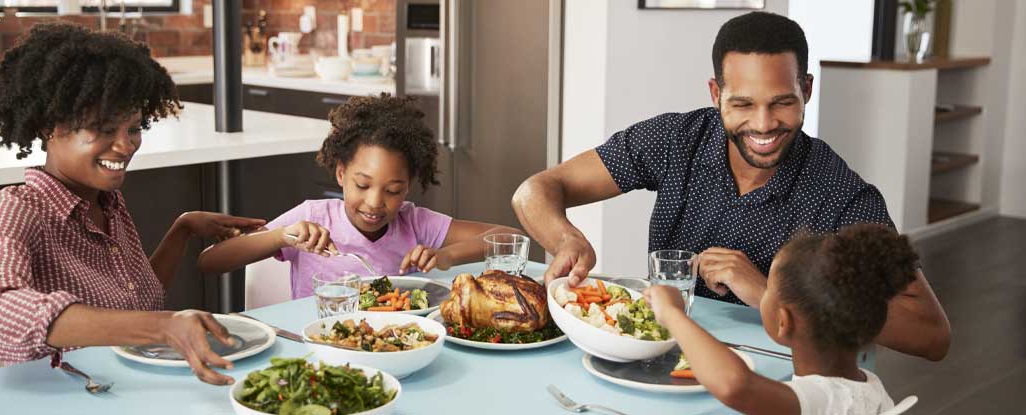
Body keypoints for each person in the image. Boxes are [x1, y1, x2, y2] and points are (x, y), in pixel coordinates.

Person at [511, 11, 950, 360]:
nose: (763, 124)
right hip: (661, 356)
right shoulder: (674, 140)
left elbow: (931, 335)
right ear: (715, 93)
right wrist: (566, 238)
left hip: (777, 384)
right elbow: (536, 189)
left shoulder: (841, 195)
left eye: (782, 102)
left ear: (807, 91)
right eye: (742, 103)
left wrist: (770, 293)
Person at [0, 22, 265, 385]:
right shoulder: (15, 209)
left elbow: (138, 303)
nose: (126, 146)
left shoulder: (110, 203)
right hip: (60, 396)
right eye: (104, 129)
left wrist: (183, 229)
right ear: (49, 126)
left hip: (121, 387)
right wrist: (161, 327)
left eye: (134, 129)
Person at [198, 94, 520, 298]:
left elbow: (511, 237)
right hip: (316, 348)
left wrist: (447, 256)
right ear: (340, 174)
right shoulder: (313, 216)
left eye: (393, 190)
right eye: (362, 185)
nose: (375, 203)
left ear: (408, 186)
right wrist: (282, 237)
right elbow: (210, 261)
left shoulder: (416, 223)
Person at [644, 224, 917, 414]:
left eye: (769, 291)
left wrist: (672, 313)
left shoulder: (824, 398)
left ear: (783, 321)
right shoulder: (867, 386)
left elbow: (735, 385)